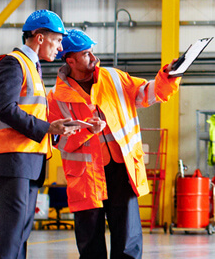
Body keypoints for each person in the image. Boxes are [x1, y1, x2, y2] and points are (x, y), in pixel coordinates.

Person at [47, 29, 181, 259]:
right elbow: (57, 140)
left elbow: (147, 93)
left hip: (121, 169)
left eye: (92, 51)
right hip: (86, 177)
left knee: (128, 240)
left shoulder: (113, 78)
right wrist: (86, 131)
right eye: (86, 53)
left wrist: (167, 75)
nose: (94, 57)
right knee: (90, 243)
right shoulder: (56, 98)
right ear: (70, 60)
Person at [0, 10, 78, 259]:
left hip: (29, 161)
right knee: (12, 231)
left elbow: (29, 112)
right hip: (13, 159)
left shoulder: (32, 69)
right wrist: (47, 127)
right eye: (57, 40)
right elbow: (5, 109)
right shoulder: (12, 63)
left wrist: (56, 128)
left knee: (21, 232)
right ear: (39, 38)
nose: (60, 47)